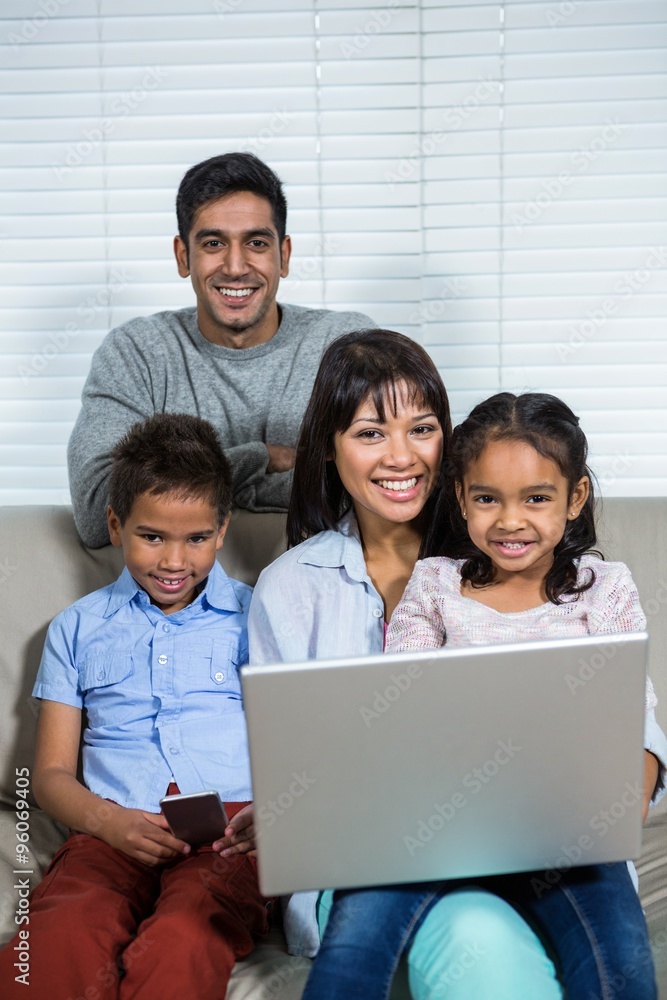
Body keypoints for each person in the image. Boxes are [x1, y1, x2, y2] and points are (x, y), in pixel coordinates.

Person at [302, 391, 667, 1000]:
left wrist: (615, 809)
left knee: (621, 965)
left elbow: (632, 720)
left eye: (537, 498)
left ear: (575, 498)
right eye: (487, 498)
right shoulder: (436, 584)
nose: (510, 521)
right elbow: (404, 704)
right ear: (461, 498)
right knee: (355, 936)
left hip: (567, 838)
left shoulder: (606, 590)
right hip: (442, 826)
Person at [248, 336, 567, 999]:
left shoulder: (511, 548)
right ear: (329, 447)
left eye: (421, 429)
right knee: (474, 932)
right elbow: (286, 775)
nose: (401, 457)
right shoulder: (287, 590)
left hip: (518, 843)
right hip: (367, 863)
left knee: (492, 916)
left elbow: (613, 712)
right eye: (370, 432)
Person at [0, 414, 267, 1000]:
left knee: (182, 938)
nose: (174, 561)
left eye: (196, 538)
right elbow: (47, 776)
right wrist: (108, 823)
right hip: (108, 830)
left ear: (222, 530)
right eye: (152, 537)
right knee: (58, 937)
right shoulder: (76, 629)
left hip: (226, 838)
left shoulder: (258, 617)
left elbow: (293, 745)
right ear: (116, 525)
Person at [68, 151, 375, 548]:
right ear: (183, 256)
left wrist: (209, 481)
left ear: (283, 255)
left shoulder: (346, 344)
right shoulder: (136, 354)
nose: (235, 266)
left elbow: (387, 488)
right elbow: (98, 513)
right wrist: (258, 458)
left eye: (256, 242)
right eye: (213, 243)